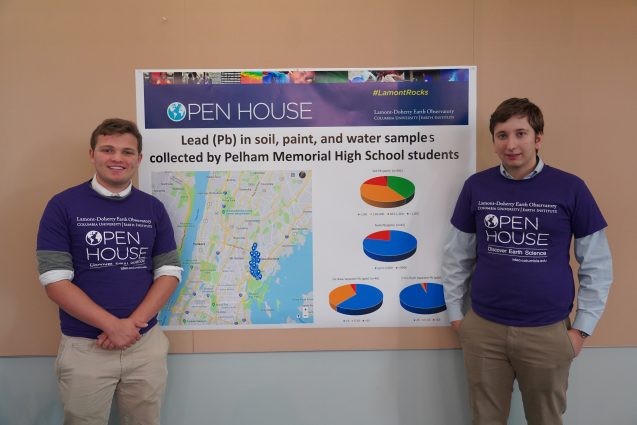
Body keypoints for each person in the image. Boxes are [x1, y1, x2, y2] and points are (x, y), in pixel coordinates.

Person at [442, 98, 612, 425]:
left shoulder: (571, 188)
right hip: (484, 330)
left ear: (538, 138)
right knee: (485, 419)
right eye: (502, 135)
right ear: (494, 141)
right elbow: (456, 256)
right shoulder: (476, 187)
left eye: (520, 133)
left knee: (546, 420)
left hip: (548, 332)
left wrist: (581, 330)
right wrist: (457, 317)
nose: (511, 144)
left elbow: (598, 265)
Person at [36, 118, 182, 424]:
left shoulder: (152, 208)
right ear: (92, 154)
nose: (117, 158)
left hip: (145, 344)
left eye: (127, 152)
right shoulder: (62, 205)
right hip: (85, 348)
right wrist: (112, 326)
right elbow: (54, 280)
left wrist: (132, 326)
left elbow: (169, 271)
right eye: (108, 149)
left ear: (138, 159)